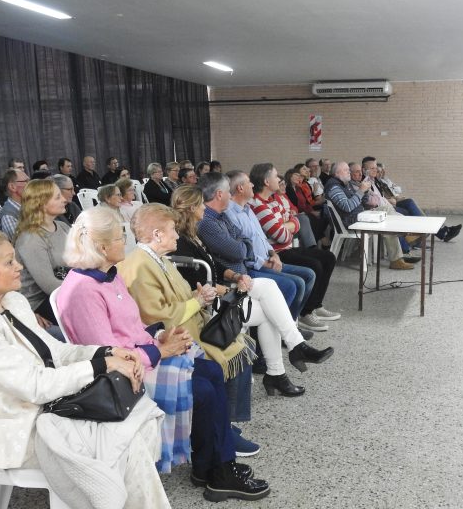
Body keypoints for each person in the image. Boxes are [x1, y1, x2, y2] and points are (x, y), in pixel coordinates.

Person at [0, 229, 169, 508]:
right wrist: (102, 365)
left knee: (135, 424)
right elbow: (34, 386)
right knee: (126, 440)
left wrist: (106, 352)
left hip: (47, 406)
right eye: (9, 262)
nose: (19, 267)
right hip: (13, 425)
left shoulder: (11, 301)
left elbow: (55, 352)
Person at [118, 204, 271, 502]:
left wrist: (200, 295)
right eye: (172, 230)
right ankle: (219, 463)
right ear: (157, 234)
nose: (178, 235)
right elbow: (157, 318)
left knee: (224, 361)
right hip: (170, 340)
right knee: (214, 373)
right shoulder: (138, 267)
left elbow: (176, 299)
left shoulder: (157, 259)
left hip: (184, 331)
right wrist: (197, 301)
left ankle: (210, 462)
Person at [56, 207, 195, 473]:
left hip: (140, 353)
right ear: (102, 247)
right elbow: (109, 354)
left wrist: (159, 335)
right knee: (204, 383)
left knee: (208, 371)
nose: (126, 242)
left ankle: (215, 455)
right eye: (121, 238)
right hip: (121, 374)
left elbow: (132, 324)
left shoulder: (110, 274)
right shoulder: (83, 291)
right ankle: (213, 463)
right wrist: (160, 352)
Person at [172, 185, 332, 396]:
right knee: (268, 300)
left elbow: (214, 264)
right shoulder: (181, 242)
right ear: (192, 208)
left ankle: (284, 363)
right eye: (201, 203)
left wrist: (236, 277)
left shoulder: (194, 235)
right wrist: (230, 287)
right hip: (209, 303)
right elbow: (195, 283)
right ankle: (286, 360)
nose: (204, 206)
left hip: (220, 292)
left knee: (268, 296)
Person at [248, 164, 341, 326]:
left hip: (286, 247)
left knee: (328, 257)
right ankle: (305, 313)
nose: (279, 179)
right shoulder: (259, 205)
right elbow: (282, 235)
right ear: (266, 182)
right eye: (276, 176)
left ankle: (316, 305)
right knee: (315, 265)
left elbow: (294, 220)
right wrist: (289, 226)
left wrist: (288, 225)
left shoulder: (273, 200)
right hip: (276, 252)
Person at [326, 162, 414, 270]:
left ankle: (405, 238)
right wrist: (360, 191)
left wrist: (365, 192)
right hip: (352, 221)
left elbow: (362, 202)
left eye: (348, 169)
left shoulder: (345, 184)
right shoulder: (334, 187)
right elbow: (348, 207)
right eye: (346, 170)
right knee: (386, 219)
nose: (349, 172)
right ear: (337, 173)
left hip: (359, 215)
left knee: (385, 209)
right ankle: (399, 251)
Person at [14, 179, 70, 333]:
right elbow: (50, 286)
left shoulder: (63, 227)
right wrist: (87, 288)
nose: (64, 199)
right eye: (57, 197)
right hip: (40, 303)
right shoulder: (30, 239)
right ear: (42, 204)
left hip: (65, 291)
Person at [0, 167, 30, 240]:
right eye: (26, 181)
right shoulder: (8, 216)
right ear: (12, 187)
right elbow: (23, 243)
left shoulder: (27, 206)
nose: (30, 184)